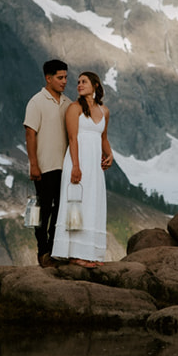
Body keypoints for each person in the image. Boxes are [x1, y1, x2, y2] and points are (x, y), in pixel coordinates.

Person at [50, 71, 112, 267]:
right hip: (78, 162)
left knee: (93, 204)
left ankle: (91, 253)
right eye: (77, 82)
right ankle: (75, 254)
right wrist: (75, 166)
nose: (79, 84)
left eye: (84, 82)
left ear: (95, 85)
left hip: (95, 166)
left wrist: (109, 155)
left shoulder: (104, 111)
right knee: (76, 204)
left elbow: (103, 137)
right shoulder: (74, 108)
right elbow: (72, 138)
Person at [24, 59, 72, 268]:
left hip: (64, 167)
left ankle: (54, 251)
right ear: (48, 78)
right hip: (44, 167)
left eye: (66, 77)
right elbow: (30, 133)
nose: (64, 82)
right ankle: (42, 252)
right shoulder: (36, 101)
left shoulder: (68, 103)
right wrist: (34, 164)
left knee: (61, 210)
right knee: (43, 211)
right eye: (60, 78)